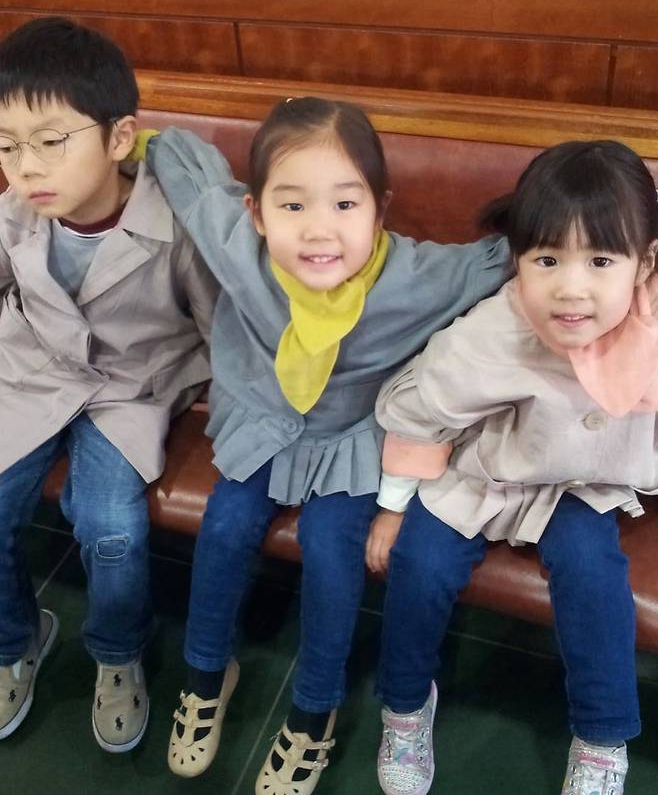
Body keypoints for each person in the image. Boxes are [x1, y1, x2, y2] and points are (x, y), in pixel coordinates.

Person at [141, 96, 511, 793]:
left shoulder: (419, 277)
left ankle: (314, 710)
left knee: (332, 555)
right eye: (292, 206)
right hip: (264, 424)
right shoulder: (238, 241)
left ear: (380, 209)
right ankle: (206, 672)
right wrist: (136, 141)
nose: (319, 230)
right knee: (223, 529)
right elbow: (183, 165)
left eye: (345, 204)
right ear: (256, 213)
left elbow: (508, 259)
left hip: (350, 439)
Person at [370, 139, 658, 795]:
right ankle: (405, 704)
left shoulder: (649, 326)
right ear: (518, 257)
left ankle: (601, 738)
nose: (571, 289)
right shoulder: (494, 332)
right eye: (547, 259)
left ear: (644, 264)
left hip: (581, 483)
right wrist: (392, 505)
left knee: (593, 574)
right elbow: (418, 411)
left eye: (601, 261)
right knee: (419, 566)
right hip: (485, 471)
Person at [0, 17, 217, 752]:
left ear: (120, 137)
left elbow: (221, 324)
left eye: (50, 141)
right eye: (7, 146)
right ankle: (15, 639)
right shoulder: (14, 213)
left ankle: (117, 653)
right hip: (31, 374)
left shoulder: (175, 224)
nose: (26, 168)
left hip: (129, 388)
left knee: (110, 526)